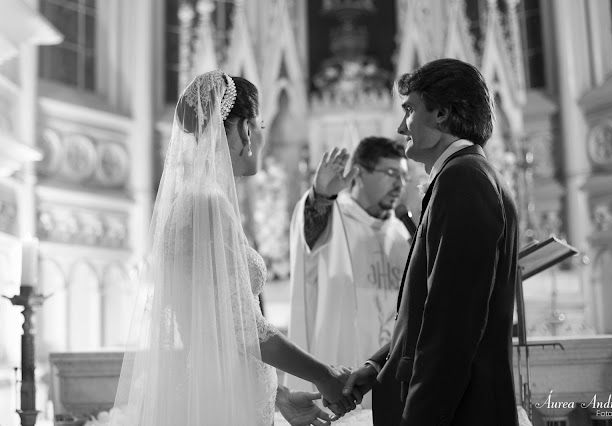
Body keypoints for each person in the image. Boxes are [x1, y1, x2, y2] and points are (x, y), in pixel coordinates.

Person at [110, 70, 353, 426]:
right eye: (261, 125)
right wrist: (323, 375)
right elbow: (245, 328)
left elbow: (216, 333)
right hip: (225, 406)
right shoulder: (207, 204)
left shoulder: (200, 202)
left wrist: (279, 397)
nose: (262, 135)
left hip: (231, 396)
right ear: (245, 131)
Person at [343, 58, 521, 425]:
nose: (400, 127)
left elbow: (453, 327)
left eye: (409, 110)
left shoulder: (464, 180)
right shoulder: (466, 175)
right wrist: (378, 365)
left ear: (441, 113)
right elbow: (431, 309)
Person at [286, 137, 412, 409]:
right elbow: (310, 237)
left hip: (388, 372)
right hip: (340, 372)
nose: (399, 184)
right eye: (391, 173)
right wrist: (321, 196)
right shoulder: (335, 217)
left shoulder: (403, 234)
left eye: (404, 176)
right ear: (360, 173)